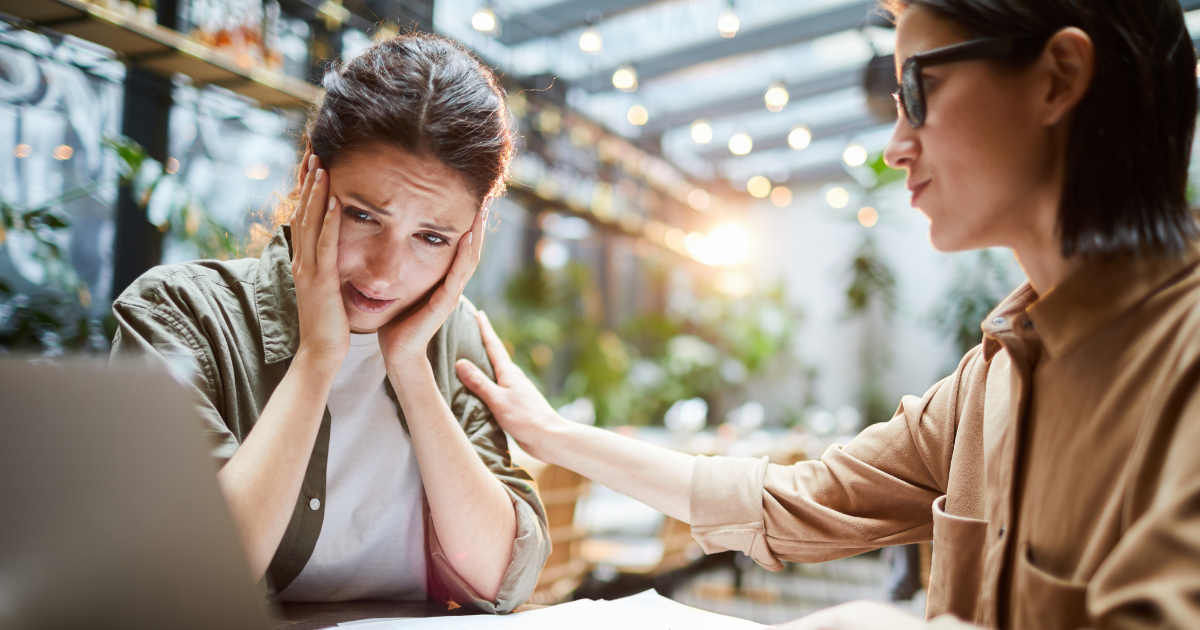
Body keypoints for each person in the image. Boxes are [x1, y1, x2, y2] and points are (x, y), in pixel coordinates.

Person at [452, 0, 1200, 627]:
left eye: (919, 90)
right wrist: (549, 432)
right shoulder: (990, 378)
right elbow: (791, 500)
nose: (896, 146)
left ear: (1058, 78)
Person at [110, 34, 548, 613]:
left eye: (432, 237)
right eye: (365, 216)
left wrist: (411, 367)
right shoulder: (178, 314)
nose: (386, 273)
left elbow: (498, 579)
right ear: (308, 178)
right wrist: (318, 357)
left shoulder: (454, 339)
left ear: (471, 238)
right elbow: (199, 576)